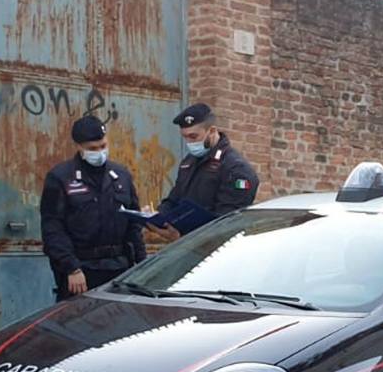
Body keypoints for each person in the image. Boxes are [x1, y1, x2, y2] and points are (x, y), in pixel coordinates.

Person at [40, 115, 146, 300]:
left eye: (103, 146)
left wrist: (142, 264)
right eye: (92, 149)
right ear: (79, 146)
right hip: (82, 269)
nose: (100, 152)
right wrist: (71, 268)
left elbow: (133, 223)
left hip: (120, 268)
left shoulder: (120, 175)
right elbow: (53, 228)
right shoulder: (61, 177)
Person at [144, 103, 259, 243]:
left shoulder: (235, 169)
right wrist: (156, 215)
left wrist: (182, 239)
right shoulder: (189, 162)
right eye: (185, 137)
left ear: (212, 131)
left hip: (214, 256)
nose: (189, 142)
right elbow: (174, 199)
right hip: (185, 250)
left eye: (193, 137)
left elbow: (226, 226)